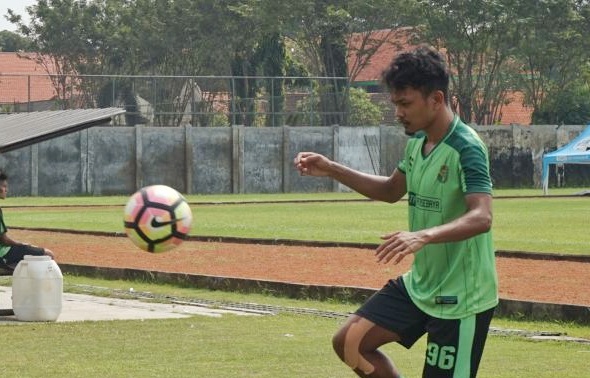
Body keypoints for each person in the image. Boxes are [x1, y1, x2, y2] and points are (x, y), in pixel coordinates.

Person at [294, 45, 498, 378]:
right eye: (395, 104)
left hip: (461, 298)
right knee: (350, 342)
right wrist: (332, 169)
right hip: (420, 285)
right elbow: (391, 190)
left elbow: (482, 217)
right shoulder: (417, 143)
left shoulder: (467, 147)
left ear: (436, 99)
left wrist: (423, 235)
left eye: (405, 104)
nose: (398, 113)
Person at [0, 171, 55, 270]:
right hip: (3, 254)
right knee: (49, 254)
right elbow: (4, 240)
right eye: (4, 186)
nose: (6, 190)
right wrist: (19, 243)